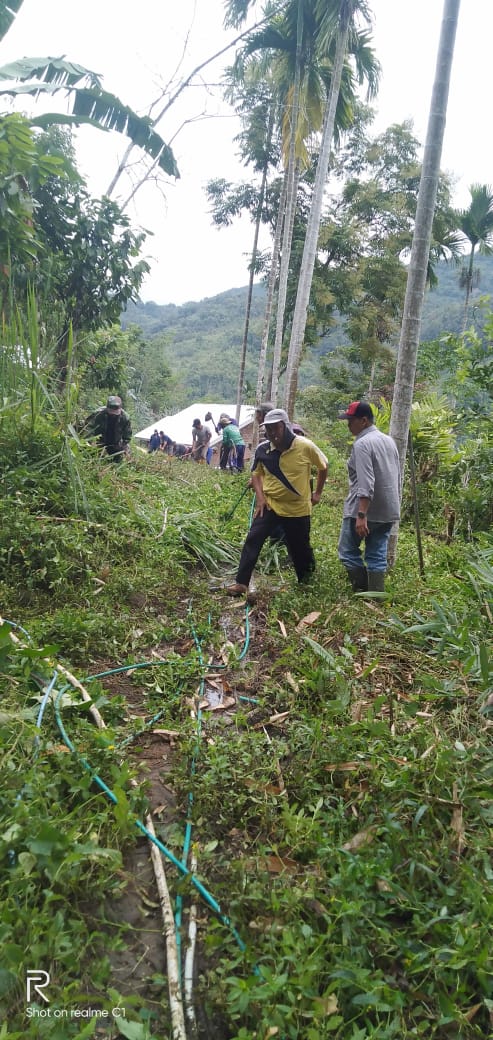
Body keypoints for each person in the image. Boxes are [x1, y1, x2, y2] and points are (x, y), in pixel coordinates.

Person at [225, 409, 327, 597]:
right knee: (253, 539)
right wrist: (261, 499)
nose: (271, 433)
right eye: (268, 429)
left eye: (275, 428)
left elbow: (323, 466)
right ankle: (241, 583)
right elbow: (255, 474)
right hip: (270, 505)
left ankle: (307, 584)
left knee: (300, 547)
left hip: (298, 508)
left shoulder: (305, 446)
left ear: (285, 426)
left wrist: (318, 493)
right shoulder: (263, 449)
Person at [337, 400, 401, 593]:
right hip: (388, 508)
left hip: (364, 509)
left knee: (347, 550)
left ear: (364, 420)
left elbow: (366, 481)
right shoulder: (388, 440)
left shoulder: (363, 444)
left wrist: (361, 515)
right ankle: (376, 595)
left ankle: (362, 590)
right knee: (377, 554)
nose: (348, 425)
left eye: (351, 420)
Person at [82, 395, 132, 461]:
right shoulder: (98, 414)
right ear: (107, 408)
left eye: (116, 412)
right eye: (111, 412)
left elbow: (127, 437)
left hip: (116, 443)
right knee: (93, 457)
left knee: (122, 459)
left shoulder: (125, 418)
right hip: (99, 442)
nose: (113, 414)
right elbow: (88, 429)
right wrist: (91, 442)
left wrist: (122, 447)